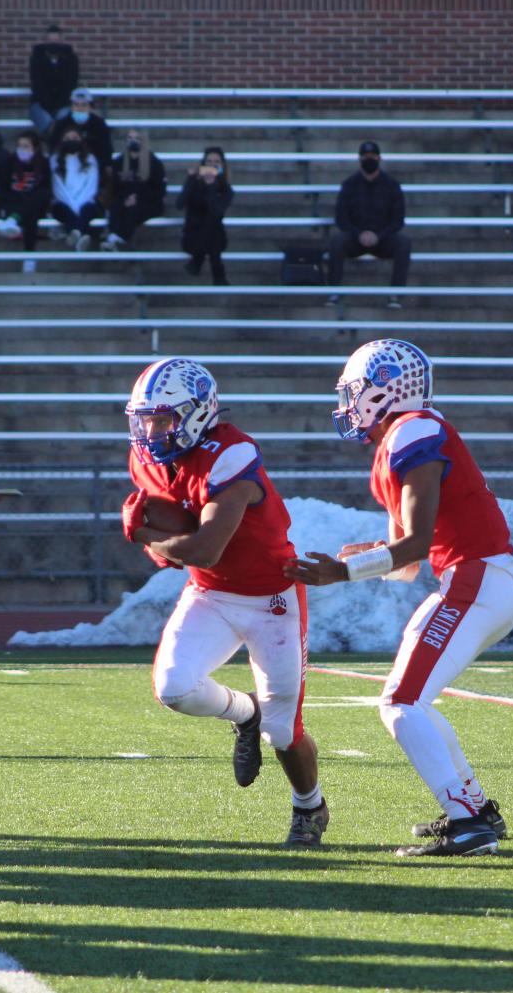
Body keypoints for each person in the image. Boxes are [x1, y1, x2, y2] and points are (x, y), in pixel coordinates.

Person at [286, 338, 513, 858]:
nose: (348, 404)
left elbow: (417, 544)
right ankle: (475, 808)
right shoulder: (403, 438)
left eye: (356, 392)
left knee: (401, 703)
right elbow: (407, 561)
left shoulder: (415, 428)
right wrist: (365, 556)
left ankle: (470, 825)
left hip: (478, 579)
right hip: (476, 581)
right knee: (410, 699)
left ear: (385, 390)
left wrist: (344, 571)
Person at [123, 357, 329, 847]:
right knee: (175, 688)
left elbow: (204, 546)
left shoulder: (231, 454)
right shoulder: (148, 458)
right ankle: (244, 713)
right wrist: (161, 538)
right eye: (144, 419)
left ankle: (310, 806)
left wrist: (145, 534)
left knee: (284, 733)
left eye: (162, 419)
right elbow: (186, 545)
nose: (151, 430)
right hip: (210, 592)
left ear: (196, 414)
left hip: (271, 598)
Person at [327, 140, 410, 309]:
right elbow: (341, 218)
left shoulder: (392, 185)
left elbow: (397, 221)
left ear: (379, 158)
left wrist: (378, 236)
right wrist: (359, 234)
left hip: (383, 239)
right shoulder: (349, 185)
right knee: (337, 242)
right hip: (355, 239)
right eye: (365, 157)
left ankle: (395, 295)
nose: (369, 159)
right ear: (359, 159)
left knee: (403, 243)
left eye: (372, 156)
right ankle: (333, 292)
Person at [0, 129, 52, 272]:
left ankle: (13, 221)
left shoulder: (43, 164)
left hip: (35, 206)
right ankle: (29, 256)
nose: (22, 150)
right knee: (26, 210)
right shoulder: (9, 162)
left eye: (26, 146)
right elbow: (4, 188)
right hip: (14, 202)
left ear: (35, 148)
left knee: (32, 205)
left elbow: (45, 190)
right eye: (20, 146)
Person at [103, 129, 166, 251]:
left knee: (133, 210)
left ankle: (117, 240)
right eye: (130, 138)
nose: (133, 141)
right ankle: (113, 238)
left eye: (137, 138)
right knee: (116, 206)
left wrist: (137, 197)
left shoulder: (154, 163)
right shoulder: (119, 162)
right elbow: (115, 187)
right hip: (125, 199)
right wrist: (126, 198)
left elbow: (159, 190)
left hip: (149, 202)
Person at [178, 146, 233, 286]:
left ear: (222, 165)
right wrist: (190, 179)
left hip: (215, 238)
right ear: (203, 164)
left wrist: (211, 187)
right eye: (209, 161)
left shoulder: (226, 190)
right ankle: (218, 274)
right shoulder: (194, 183)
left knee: (212, 223)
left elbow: (216, 211)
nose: (213, 164)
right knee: (210, 228)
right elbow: (179, 204)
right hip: (193, 237)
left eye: (217, 161)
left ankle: (197, 262)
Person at [50, 127, 104, 251]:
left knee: (88, 210)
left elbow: (91, 187)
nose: (71, 141)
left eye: (75, 138)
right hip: (62, 202)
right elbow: (58, 188)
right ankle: (81, 235)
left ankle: (75, 232)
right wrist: (72, 206)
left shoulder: (90, 159)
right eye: (67, 138)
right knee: (62, 210)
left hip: (86, 201)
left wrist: (78, 205)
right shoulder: (55, 160)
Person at [28, 23, 78, 135]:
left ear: (61, 41)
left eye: (56, 40)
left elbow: (71, 83)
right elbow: (36, 83)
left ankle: (53, 145)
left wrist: (60, 104)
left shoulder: (71, 59)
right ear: (45, 41)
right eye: (50, 40)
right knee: (47, 122)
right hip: (40, 103)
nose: (53, 43)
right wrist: (47, 105)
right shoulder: (36, 58)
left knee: (62, 119)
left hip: (64, 103)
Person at [47, 87, 113, 170]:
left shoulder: (99, 125)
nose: (80, 108)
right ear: (71, 106)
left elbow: (106, 151)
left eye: (84, 105)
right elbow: (54, 149)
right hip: (67, 167)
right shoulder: (61, 125)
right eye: (76, 105)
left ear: (90, 107)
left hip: (94, 167)